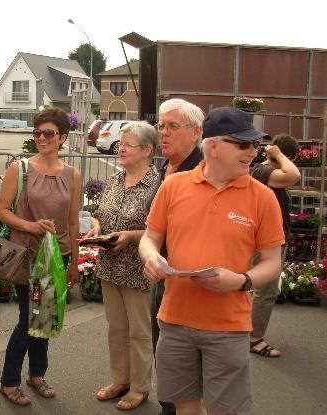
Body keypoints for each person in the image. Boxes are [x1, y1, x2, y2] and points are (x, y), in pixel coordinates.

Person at [139, 107, 285, 415]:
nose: (253, 152)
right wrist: (151, 258)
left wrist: (242, 281)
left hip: (229, 326)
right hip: (175, 321)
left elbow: (273, 262)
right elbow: (150, 238)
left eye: (255, 144)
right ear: (214, 145)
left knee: (227, 410)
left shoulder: (263, 197)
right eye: (243, 144)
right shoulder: (174, 186)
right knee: (184, 406)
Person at [0, 107, 81, 406]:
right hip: (27, 255)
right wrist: (29, 226)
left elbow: (73, 222)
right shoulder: (19, 169)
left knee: (45, 317)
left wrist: (74, 261)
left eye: (49, 133)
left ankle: (37, 374)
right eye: (37, 132)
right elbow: (2, 211)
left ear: (63, 137)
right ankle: (8, 381)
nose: (42, 138)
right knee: (27, 318)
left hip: (57, 256)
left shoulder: (72, 175)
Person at [84, 121, 159, 410]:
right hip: (110, 265)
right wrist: (95, 227)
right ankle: (120, 380)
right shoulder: (116, 179)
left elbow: (162, 230)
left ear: (147, 150)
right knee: (116, 329)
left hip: (139, 270)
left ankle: (140, 387)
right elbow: (100, 214)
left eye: (128, 144)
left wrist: (131, 237)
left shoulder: (158, 185)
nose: (121, 148)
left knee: (139, 332)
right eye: (122, 142)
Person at [145, 98, 205, 415]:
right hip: (163, 276)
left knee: (185, 360)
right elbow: (157, 225)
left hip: (190, 280)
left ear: (196, 133)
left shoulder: (202, 171)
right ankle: (170, 407)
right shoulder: (165, 167)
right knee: (164, 352)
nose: (163, 133)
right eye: (161, 126)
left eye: (173, 126)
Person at [250, 133, 300, 357]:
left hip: (269, 238)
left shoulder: (265, 171)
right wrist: (278, 154)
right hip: (267, 241)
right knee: (266, 291)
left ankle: (245, 333)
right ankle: (253, 338)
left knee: (257, 289)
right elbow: (294, 175)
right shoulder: (265, 171)